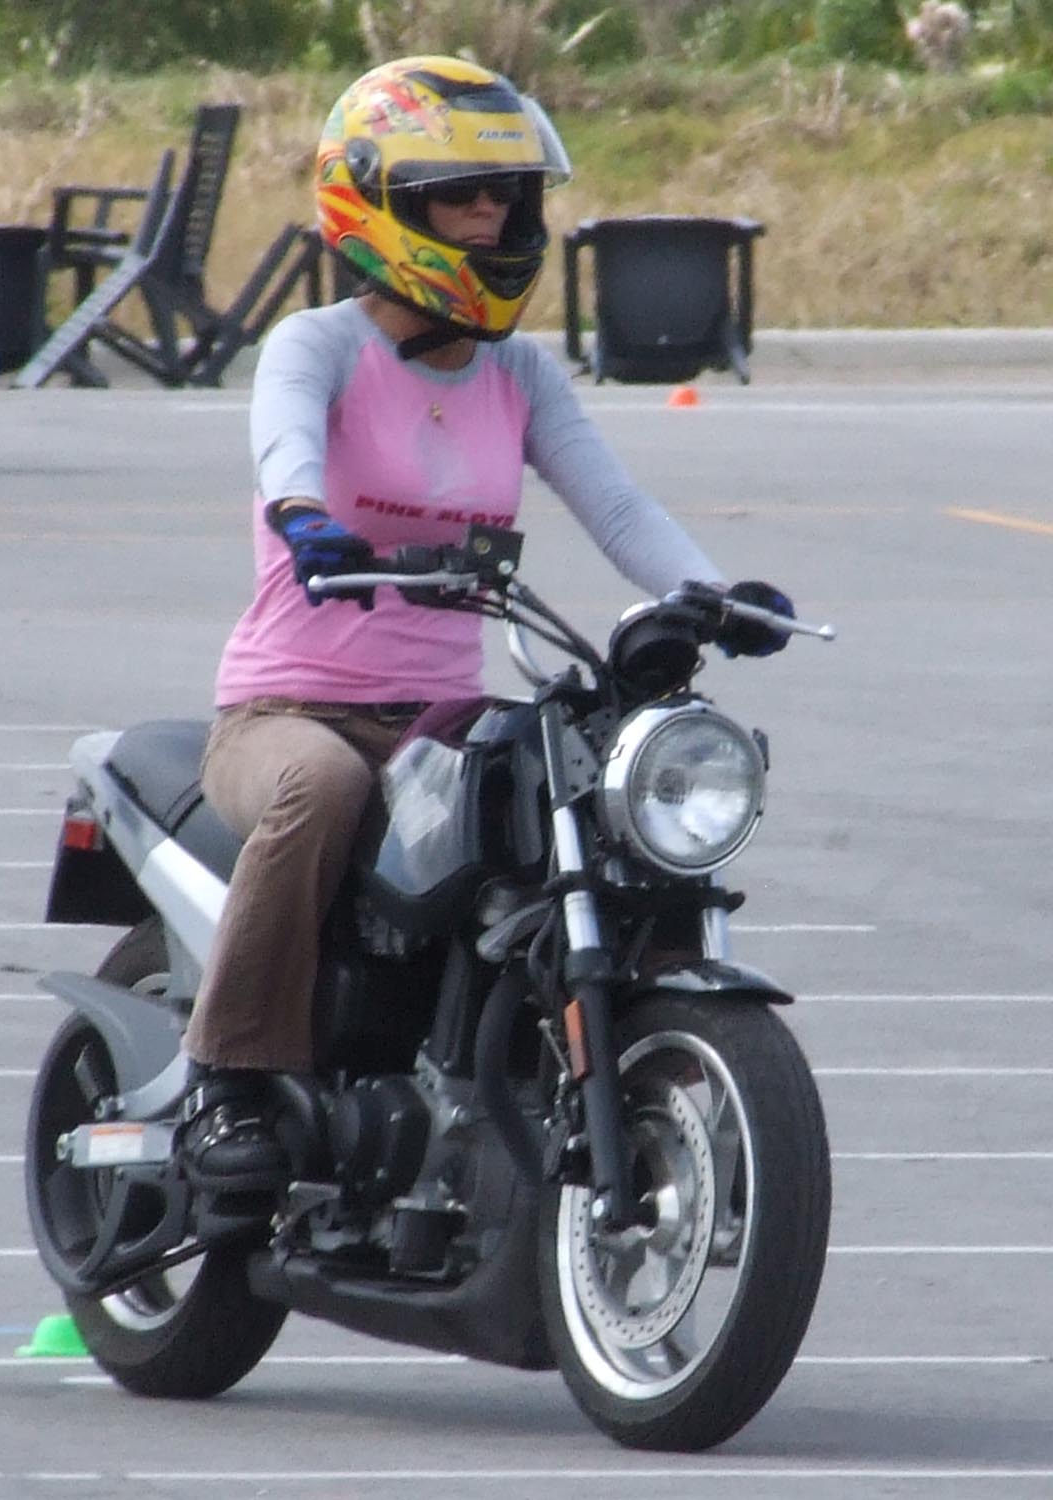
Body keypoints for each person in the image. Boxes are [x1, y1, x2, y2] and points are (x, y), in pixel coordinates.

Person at [178, 55, 793, 1191]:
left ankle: (609, 1070)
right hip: (287, 709)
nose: (493, 217)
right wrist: (304, 517)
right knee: (322, 786)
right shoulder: (317, 346)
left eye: (507, 195)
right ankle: (229, 1080)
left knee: (589, 801)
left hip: (441, 719)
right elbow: (284, 443)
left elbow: (616, 507)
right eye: (461, 195)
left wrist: (715, 595)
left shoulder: (519, 372)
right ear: (381, 207)